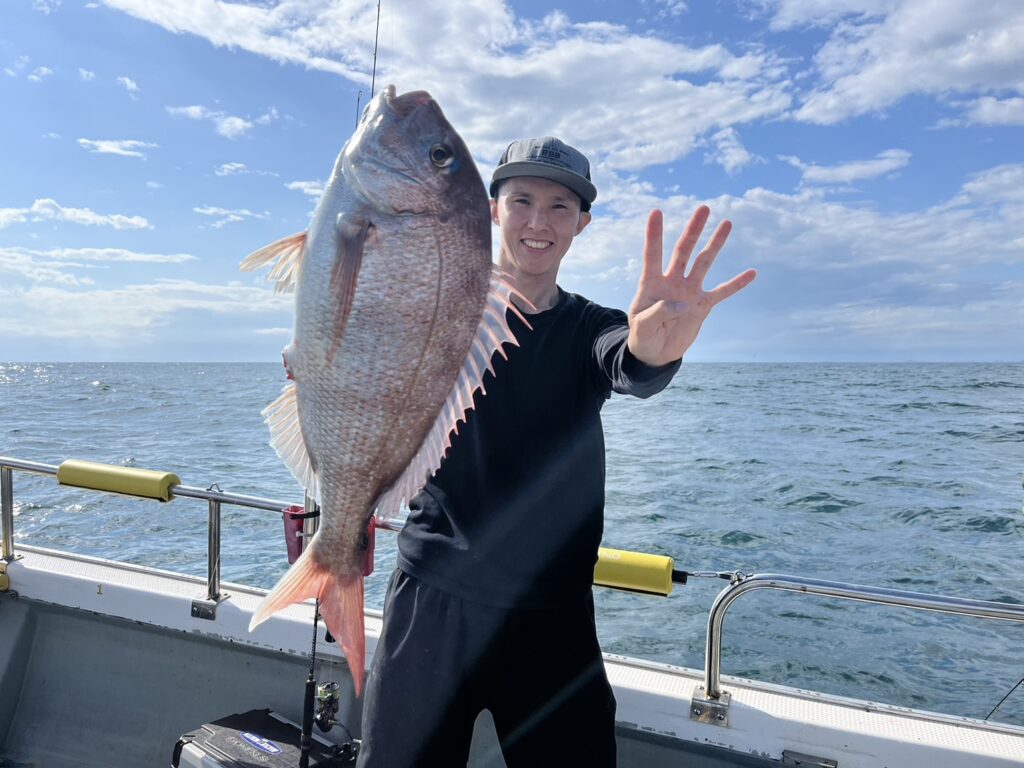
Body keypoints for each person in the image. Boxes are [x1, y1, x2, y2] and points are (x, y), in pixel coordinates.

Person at [357, 137, 756, 767]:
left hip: (552, 617)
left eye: (559, 206)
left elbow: (628, 361)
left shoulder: (589, 327)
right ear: (493, 209)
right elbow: (362, 364)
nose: (538, 222)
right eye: (522, 201)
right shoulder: (436, 313)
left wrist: (655, 349)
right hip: (433, 599)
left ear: (582, 223)